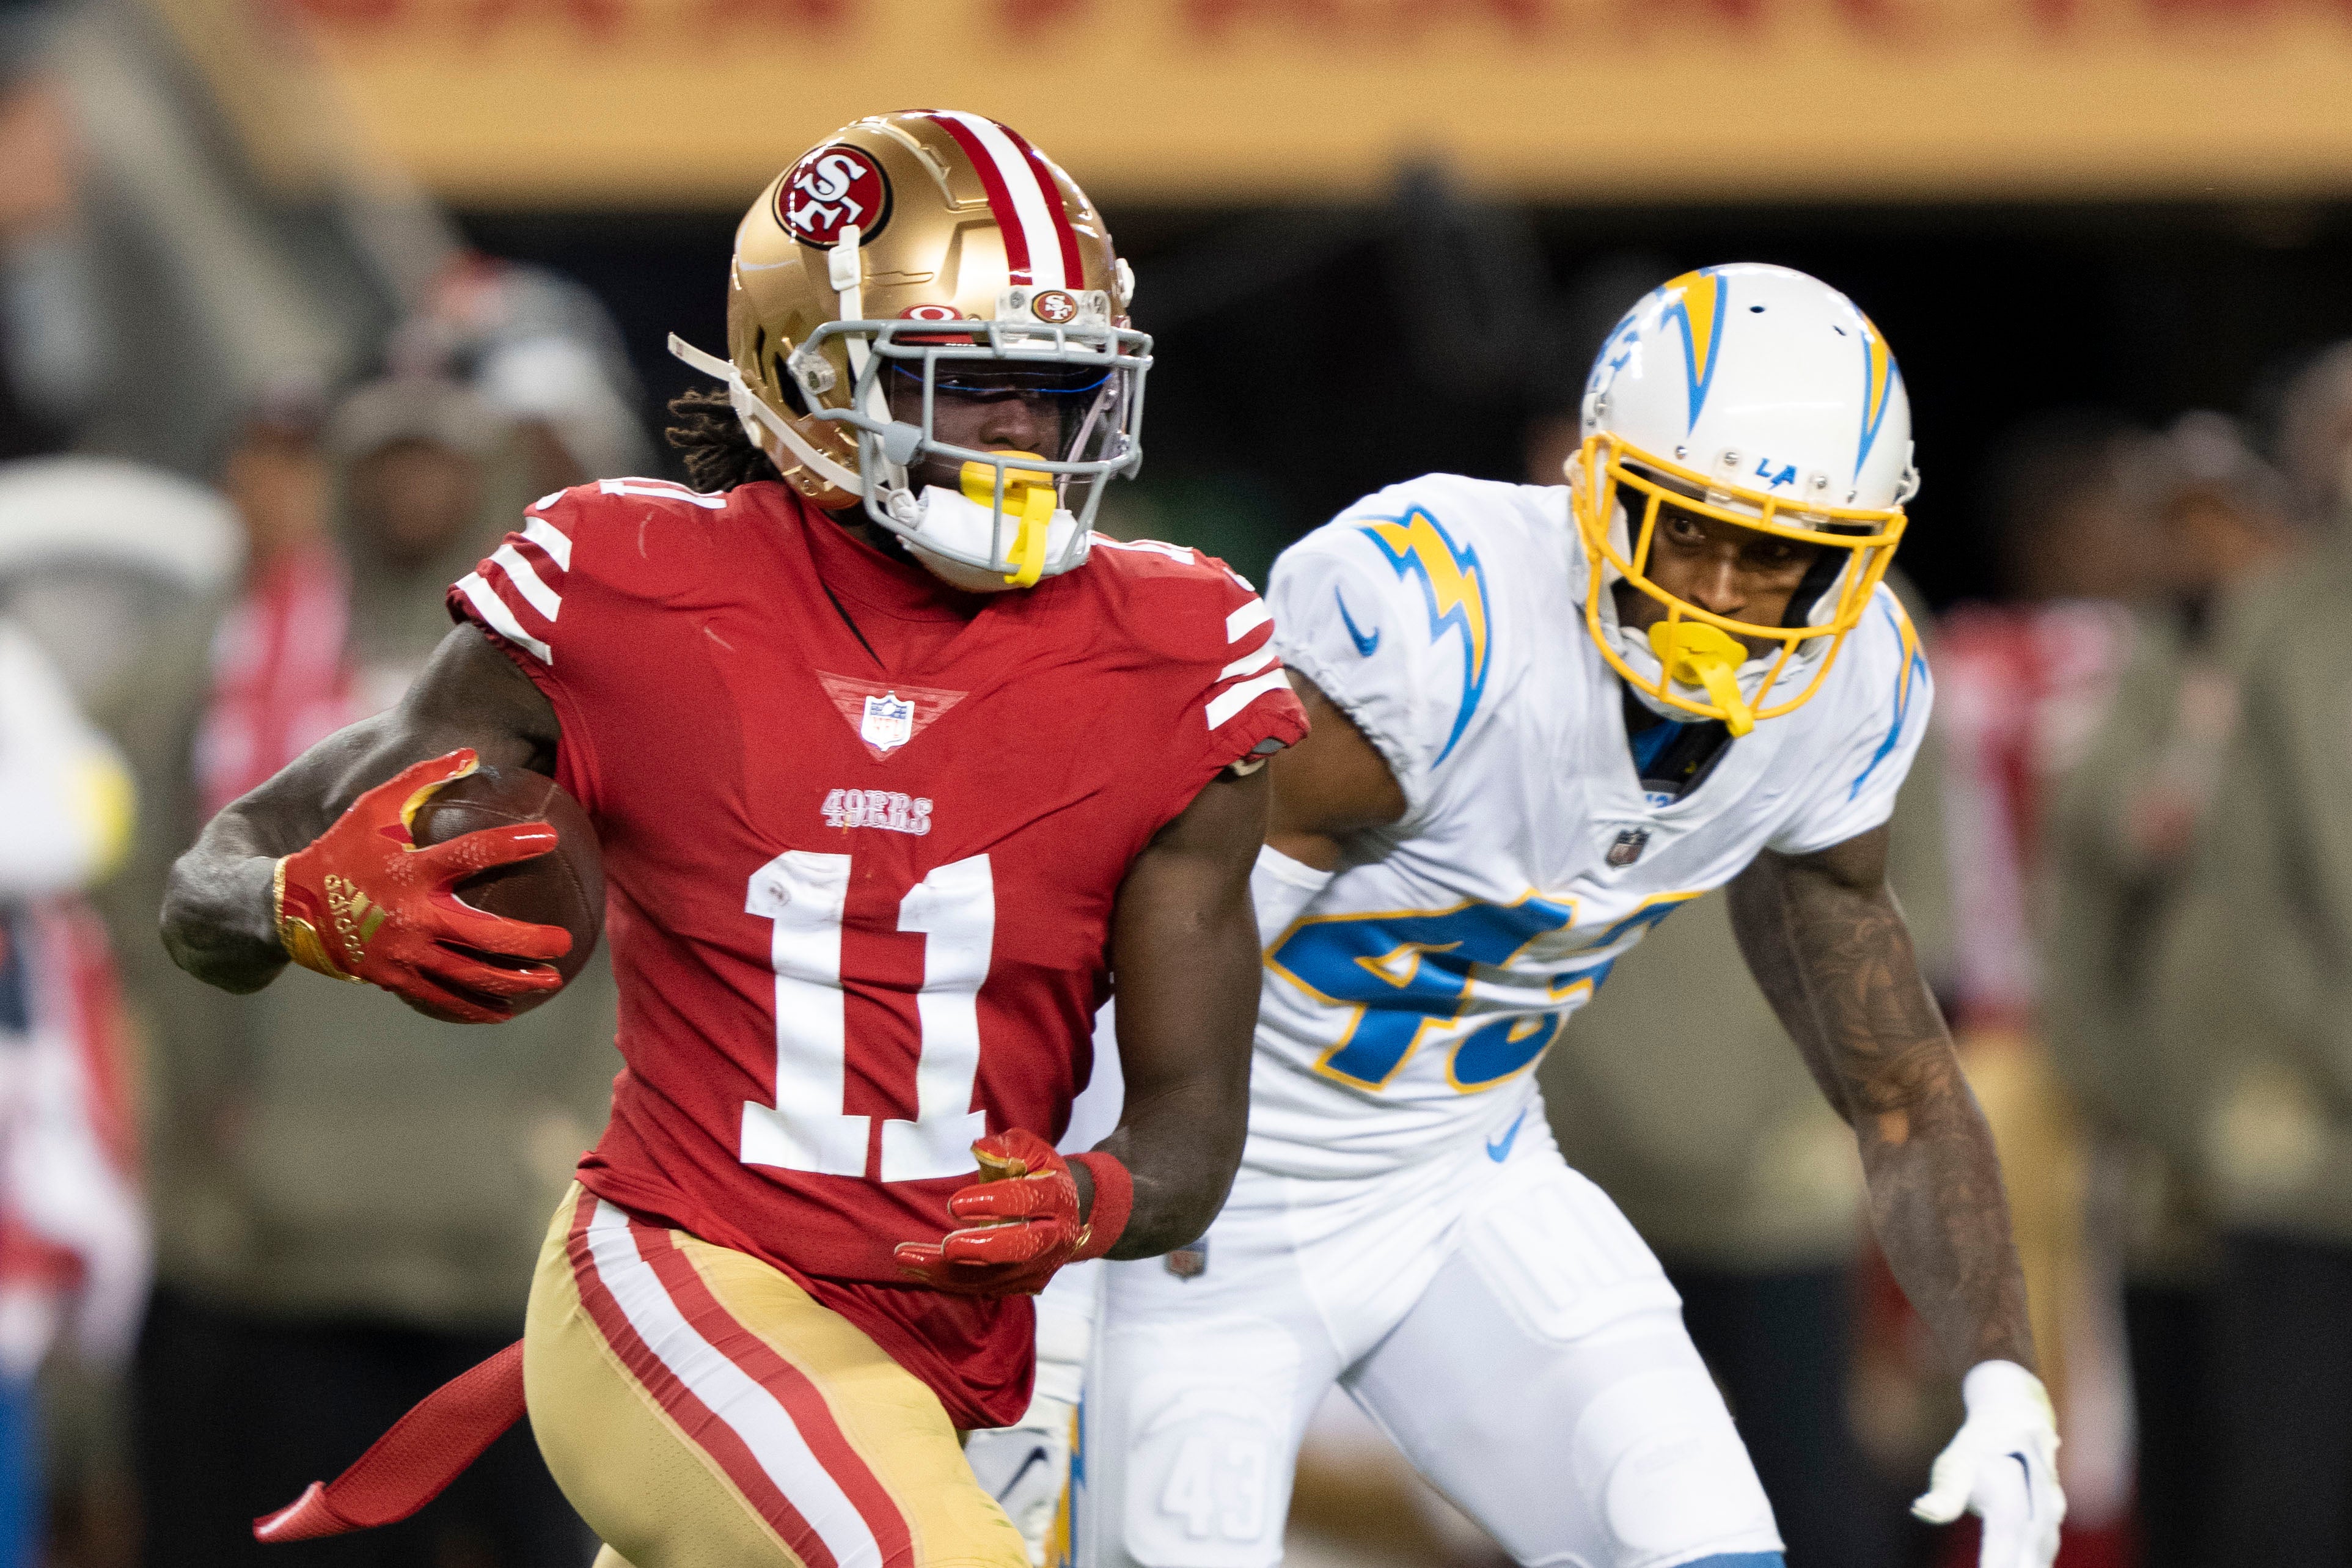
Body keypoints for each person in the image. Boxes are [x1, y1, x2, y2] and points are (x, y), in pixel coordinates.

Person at [159, 111, 1305, 1568]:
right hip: (676, 1273)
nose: (1026, 433)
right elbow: (206, 887)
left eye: (1058, 385)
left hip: (952, 1353)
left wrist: (1095, 1197)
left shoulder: (1177, 652)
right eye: (974, 386)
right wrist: (288, 904)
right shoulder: (631, 584)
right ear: (809, 385)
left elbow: (1191, 1133)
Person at [1083, 265, 2060, 1568]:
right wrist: (1092, 1204)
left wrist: (2002, 1372)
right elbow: (1150, 920)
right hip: (1193, 1195)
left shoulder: (1851, 689)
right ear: (1593, 489)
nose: (1714, 587)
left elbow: (1893, 1079)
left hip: (1458, 1183)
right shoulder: (1445, 626)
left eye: (1773, 553)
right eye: (1679, 528)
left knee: (1702, 1542)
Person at [137, 381, 620, 1568]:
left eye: (438, 459)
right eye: (384, 459)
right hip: (287, 1238)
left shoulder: (572, 660)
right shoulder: (233, 642)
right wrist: (197, 1120)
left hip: (507, 1232)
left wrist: (579, 1114)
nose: (410, 487)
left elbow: (668, 892)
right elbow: (140, 883)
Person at [2039, 412, 2296, 1568]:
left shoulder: (2304, 658)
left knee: (2287, 1433)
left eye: (2221, 522)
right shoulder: (2136, 668)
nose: (2202, 553)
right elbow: (2104, 850)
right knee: (2178, 1418)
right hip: (2161, 1127)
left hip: (2299, 1119)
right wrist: (2111, 1076)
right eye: (2177, 525)